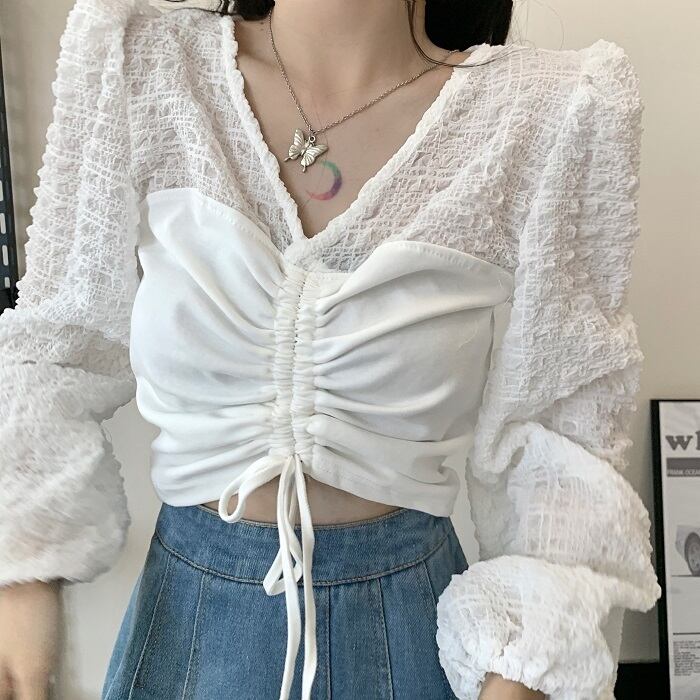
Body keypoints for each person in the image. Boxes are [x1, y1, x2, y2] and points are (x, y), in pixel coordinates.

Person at [0, 0, 662, 698]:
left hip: (410, 640)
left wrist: (524, 669)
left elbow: (561, 432)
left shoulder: (547, 113)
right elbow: (56, 345)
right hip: (185, 636)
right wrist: (20, 566)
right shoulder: (142, 63)